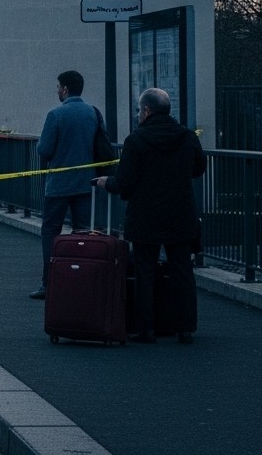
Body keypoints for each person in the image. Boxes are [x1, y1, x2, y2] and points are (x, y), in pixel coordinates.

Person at [96, 88, 206, 344]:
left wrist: (106, 182)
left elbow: (124, 181)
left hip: (145, 216)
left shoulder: (136, 140)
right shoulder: (187, 137)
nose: (138, 115)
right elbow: (199, 167)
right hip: (180, 214)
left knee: (145, 270)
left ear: (146, 111)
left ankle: (146, 329)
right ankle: (186, 327)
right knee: (182, 269)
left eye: (139, 110)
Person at [30, 70, 99, 300]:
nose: (57, 90)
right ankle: (83, 282)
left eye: (58, 87)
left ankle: (50, 282)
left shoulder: (56, 115)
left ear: (66, 89)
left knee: (51, 231)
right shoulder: (93, 113)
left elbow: (44, 149)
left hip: (58, 185)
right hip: (85, 183)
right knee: (83, 233)